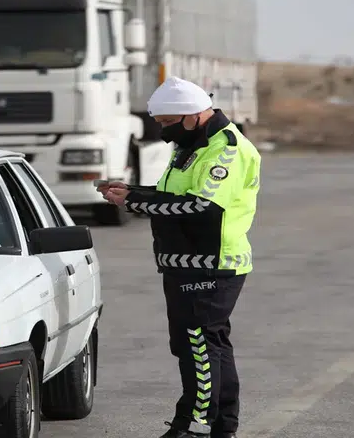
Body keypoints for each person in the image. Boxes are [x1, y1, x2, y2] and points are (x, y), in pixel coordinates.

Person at [98, 76, 261, 438]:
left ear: (192, 116)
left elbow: (203, 206)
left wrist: (135, 202)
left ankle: (196, 427)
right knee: (208, 344)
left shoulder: (226, 150)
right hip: (185, 263)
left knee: (199, 346)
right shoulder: (193, 145)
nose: (164, 133)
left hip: (212, 263)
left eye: (169, 124)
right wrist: (135, 192)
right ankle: (222, 426)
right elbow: (175, 193)